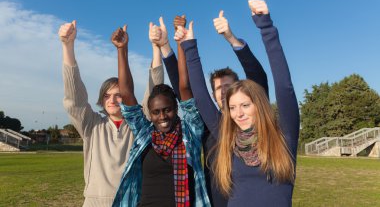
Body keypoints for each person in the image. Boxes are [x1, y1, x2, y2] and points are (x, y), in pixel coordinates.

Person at [181, 0, 300, 206]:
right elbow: (201, 97)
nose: (238, 113)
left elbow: (285, 87)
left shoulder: (283, 136)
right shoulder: (229, 137)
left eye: (245, 105)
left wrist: (266, 26)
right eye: (232, 108)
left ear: (259, 105)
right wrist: (189, 47)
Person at [152, 12, 268, 206]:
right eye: (218, 89)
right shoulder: (208, 122)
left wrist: (232, 39)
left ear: (239, 88)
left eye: (228, 87)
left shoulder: (252, 119)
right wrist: (167, 47)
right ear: (213, 96)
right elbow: (185, 89)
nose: (223, 92)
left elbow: (258, 78)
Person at [58, 21, 164, 206]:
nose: (112, 100)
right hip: (95, 201)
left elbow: (153, 92)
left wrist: (156, 48)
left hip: (132, 200)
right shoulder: (91, 124)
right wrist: (67, 46)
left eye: (118, 95)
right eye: (107, 96)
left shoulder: (139, 125)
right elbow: (74, 97)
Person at [111, 22, 211, 207]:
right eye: (156, 112)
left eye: (167, 109)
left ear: (176, 107)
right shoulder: (145, 134)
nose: (162, 116)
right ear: (150, 113)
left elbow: (184, 87)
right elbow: (126, 94)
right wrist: (122, 49)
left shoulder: (190, 132)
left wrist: (181, 43)